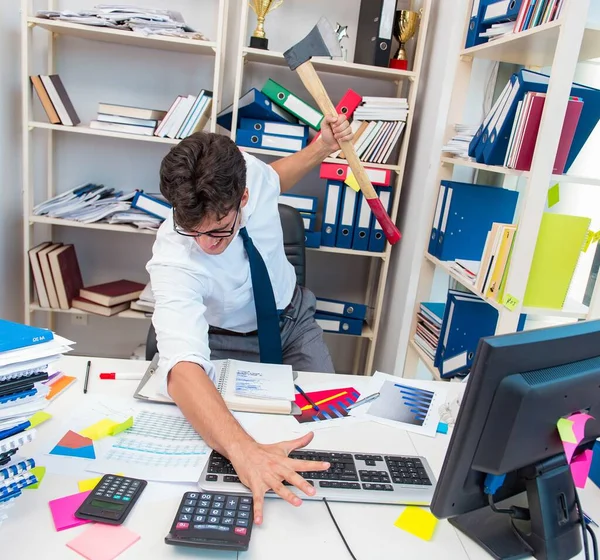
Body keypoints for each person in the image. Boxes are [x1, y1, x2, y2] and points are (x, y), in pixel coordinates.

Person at [146, 114, 353, 526]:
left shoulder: (248, 173)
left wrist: (323, 147)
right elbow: (183, 366)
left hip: (291, 322)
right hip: (219, 339)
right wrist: (245, 451)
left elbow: (274, 177)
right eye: (193, 232)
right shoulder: (174, 254)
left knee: (334, 433)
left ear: (242, 197)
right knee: (214, 451)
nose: (205, 245)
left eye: (219, 231)